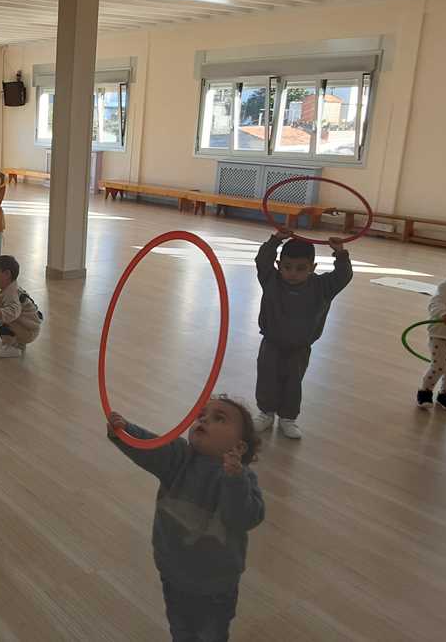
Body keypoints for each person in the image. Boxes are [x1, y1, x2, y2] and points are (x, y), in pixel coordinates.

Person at [107, 396, 264, 641]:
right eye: (201, 415)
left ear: (240, 447)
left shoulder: (243, 480)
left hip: (217, 583)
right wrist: (125, 431)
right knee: (180, 629)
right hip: (173, 572)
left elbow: (243, 518)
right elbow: (151, 447)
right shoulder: (179, 456)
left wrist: (234, 480)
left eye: (219, 418)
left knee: (211, 634)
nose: (204, 419)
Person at [253, 231, 353, 439]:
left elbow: (343, 276)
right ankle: (266, 413)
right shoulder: (271, 280)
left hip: (300, 347)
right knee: (267, 378)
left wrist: (340, 254)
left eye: (301, 268)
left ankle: (288, 418)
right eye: (287, 267)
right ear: (279, 265)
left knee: (293, 382)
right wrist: (275, 240)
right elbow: (262, 260)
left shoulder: (322, 287)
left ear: (312, 268)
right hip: (271, 342)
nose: (293, 273)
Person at [416, 243, 446, 412]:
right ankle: (425, 391)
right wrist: (444, 314)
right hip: (442, 333)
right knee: (440, 365)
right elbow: (436, 302)